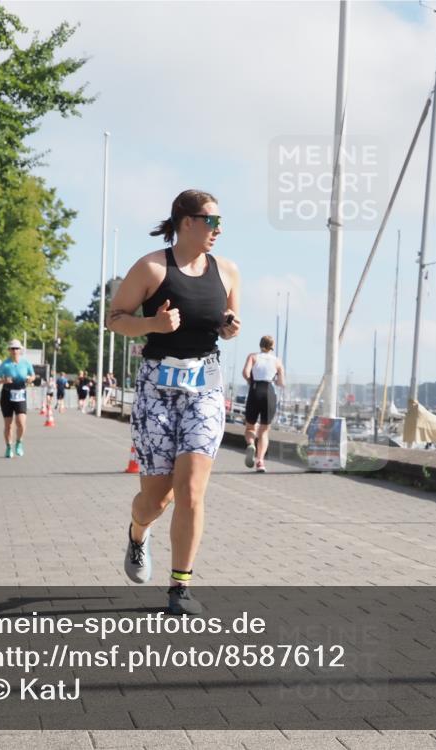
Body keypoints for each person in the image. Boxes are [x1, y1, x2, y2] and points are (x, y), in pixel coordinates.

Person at [106, 189, 240, 615]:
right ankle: (137, 532)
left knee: (191, 492)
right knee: (157, 499)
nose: (219, 230)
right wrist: (154, 324)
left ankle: (179, 588)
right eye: (212, 221)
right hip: (157, 390)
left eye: (221, 222)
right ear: (187, 222)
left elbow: (230, 325)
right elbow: (115, 319)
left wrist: (231, 327)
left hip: (205, 388)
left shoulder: (228, 271)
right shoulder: (151, 267)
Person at [242, 335, 285, 473]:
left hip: (255, 391)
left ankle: (250, 444)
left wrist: (250, 381)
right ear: (272, 346)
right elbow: (281, 383)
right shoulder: (277, 361)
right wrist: (276, 379)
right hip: (269, 393)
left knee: (250, 428)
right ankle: (260, 461)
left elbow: (245, 373)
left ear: (260, 344)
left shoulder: (253, 357)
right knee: (264, 431)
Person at [0, 339, 36, 458]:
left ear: (20, 350)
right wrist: (3, 380)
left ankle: (19, 443)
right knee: (8, 425)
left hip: (20, 395)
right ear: (9, 350)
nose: (15, 351)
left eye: (17, 348)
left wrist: (30, 379)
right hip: (7, 396)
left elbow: (33, 375)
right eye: (12, 348)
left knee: (21, 422)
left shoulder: (26, 363)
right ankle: (9, 447)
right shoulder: (5, 364)